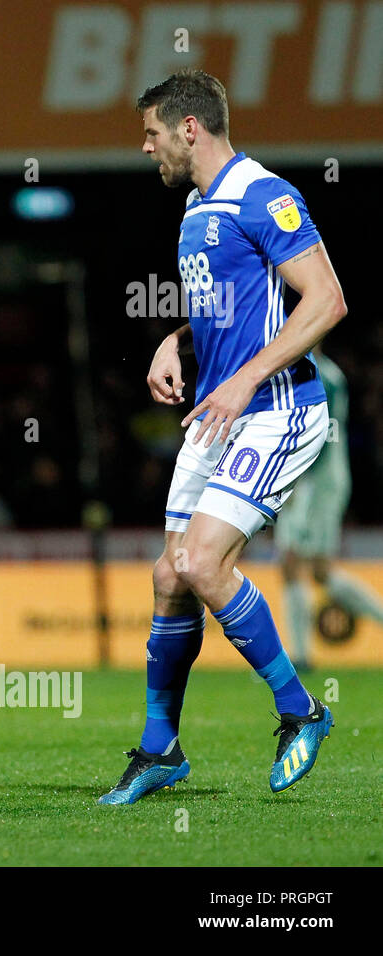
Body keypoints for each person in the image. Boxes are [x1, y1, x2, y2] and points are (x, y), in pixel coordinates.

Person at [100, 70, 347, 805]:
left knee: (204, 562)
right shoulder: (195, 209)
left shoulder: (262, 195)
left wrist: (243, 379)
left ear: (189, 129)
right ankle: (159, 750)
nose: (146, 148)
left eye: (151, 134)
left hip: (276, 408)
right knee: (170, 576)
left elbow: (327, 299)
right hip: (221, 412)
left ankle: (302, 710)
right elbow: (230, 309)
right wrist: (174, 341)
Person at [277, 350, 383, 668]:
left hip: (318, 481)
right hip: (301, 479)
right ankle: (300, 656)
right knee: (300, 566)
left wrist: (303, 484)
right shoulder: (289, 371)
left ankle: (301, 656)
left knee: (310, 565)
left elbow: (327, 436)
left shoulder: (327, 377)